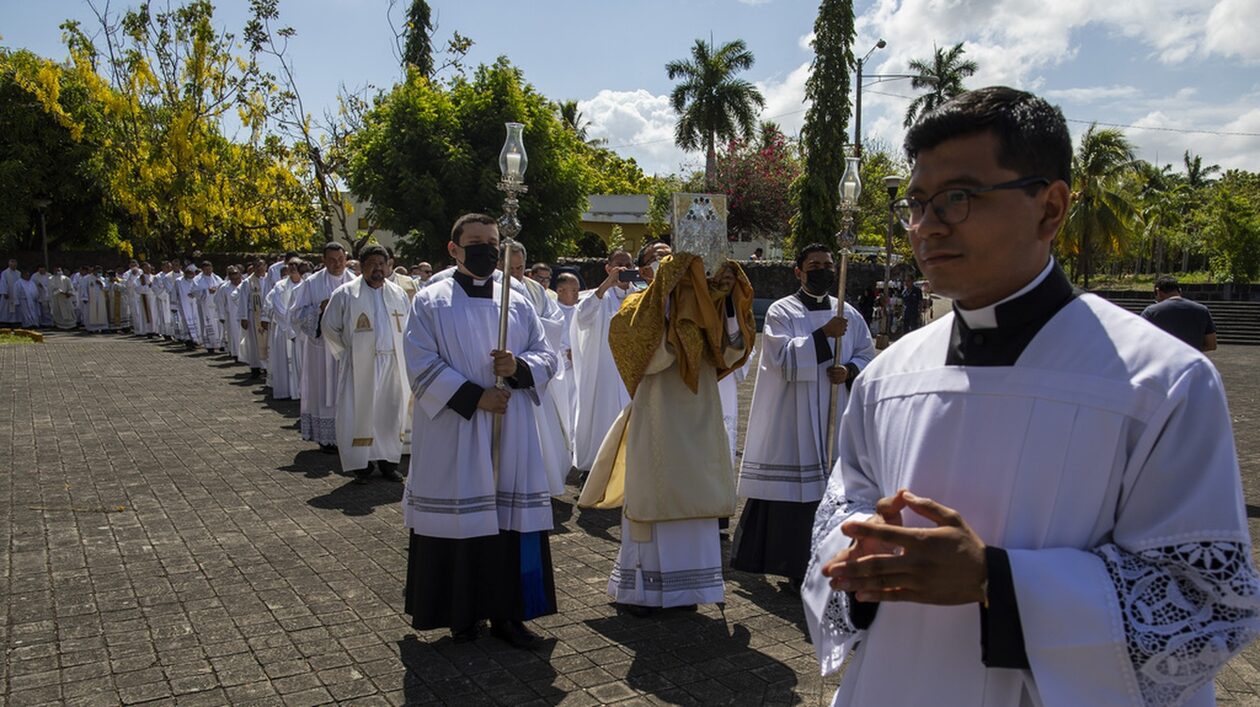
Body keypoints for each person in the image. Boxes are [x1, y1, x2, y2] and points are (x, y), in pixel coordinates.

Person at [804, 86, 1260, 706]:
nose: (926, 226)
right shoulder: (890, 374)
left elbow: (1205, 606)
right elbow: (841, 506)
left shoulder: (1160, 381)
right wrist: (857, 559)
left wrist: (998, 581)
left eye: (957, 198)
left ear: (1050, 208)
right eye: (916, 202)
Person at [402, 213, 559, 648]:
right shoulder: (431, 300)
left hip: (510, 428)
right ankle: (461, 614)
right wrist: (475, 397)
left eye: (493, 243)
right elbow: (419, 363)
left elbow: (548, 355)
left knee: (509, 524)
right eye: (477, 243)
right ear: (454, 249)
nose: (488, 251)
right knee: (462, 522)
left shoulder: (519, 300)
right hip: (457, 429)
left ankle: (511, 616)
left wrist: (519, 367)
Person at [579, 251, 754, 615]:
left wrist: (730, 301)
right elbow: (640, 357)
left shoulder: (707, 306)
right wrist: (667, 306)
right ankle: (643, 592)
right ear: (646, 270)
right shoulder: (635, 306)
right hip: (657, 417)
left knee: (696, 496)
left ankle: (689, 590)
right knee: (653, 498)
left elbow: (731, 352)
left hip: (700, 417)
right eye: (659, 260)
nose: (671, 265)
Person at [732, 244, 876, 591]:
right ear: (799, 271)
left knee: (834, 491)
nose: (823, 270)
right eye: (814, 265)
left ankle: (833, 562)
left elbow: (868, 353)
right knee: (796, 494)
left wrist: (850, 370)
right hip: (794, 415)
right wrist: (824, 335)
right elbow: (781, 359)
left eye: (827, 265)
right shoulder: (784, 311)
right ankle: (794, 565)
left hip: (835, 411)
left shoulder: (850, 314)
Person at [323, 245, 409, 484]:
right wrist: (346, 354)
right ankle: (362, 465)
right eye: (372, 264)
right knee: (360, 413)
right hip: (361, 365)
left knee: (389, 415)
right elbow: (329, 328)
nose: (378, 269)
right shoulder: (346, 294)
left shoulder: (398, 293)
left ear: (388, 266)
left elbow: (408, 326)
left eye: (382, 264)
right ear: (362, 266)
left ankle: (388, 462)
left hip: (393, 363)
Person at [569, 250, 636, 478]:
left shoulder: (641, 296)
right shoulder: (597, 296)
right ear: (608, 268)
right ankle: (595, 470)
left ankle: (628, 471)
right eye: (620, 264)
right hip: (604, 370)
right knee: (602, 418)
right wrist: (606, 286)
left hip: (631, 372)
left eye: (629, 264)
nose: (625, 268)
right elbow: (582, 319)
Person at [291, 243, 354, 453]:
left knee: (347, 391)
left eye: (340, 259)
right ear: (324, 260)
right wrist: (319, 309)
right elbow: (296, 315)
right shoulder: (311, 283)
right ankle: (325, 437)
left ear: (346, 259)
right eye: (332, 260)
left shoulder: (356, 282)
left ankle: (348, 433)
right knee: (324, 390)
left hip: (348, 349)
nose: (337, 264)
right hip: (321, 349)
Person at [1141, 276, 1218, 352]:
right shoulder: (1202, 310)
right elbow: (1211, 344)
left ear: (1158, 291)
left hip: (1164, 361)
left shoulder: (1151, 312)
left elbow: (1138, 341)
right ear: (1180, 291)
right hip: (1191, 361)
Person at [265, 259, 304, 400]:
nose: (293, 268)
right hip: (283, 330)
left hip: (300, 330)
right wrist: (289, 327)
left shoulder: (306, 285)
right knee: (283, 362)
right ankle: (285, 390)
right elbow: (278, 308)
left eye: (296, 266)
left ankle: (298, 392)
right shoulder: (279, 286)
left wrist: (296, 328)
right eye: (291, 266)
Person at [237, 259, 270, 377]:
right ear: (254, 268)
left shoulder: (269, 279)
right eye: (257, 266)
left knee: (267, 341)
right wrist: (243, 317)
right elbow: (243, 300)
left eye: (262, 266)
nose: (260, 269)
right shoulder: (248, 282)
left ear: (266, 267)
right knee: (254, 342)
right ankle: (255, 367)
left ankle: (267, 367)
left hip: (267, 314)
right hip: (253, 315)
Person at [192, 262, 224, 352]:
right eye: (206, 269)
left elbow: (223, 287)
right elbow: (194, 291)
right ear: (202, 269)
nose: (208, 271)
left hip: (216, 306)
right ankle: (210, 345)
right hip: (204, 306)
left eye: (209, 269)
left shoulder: (217, 278)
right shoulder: (197, 279)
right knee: (208, 324)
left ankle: (221, 344)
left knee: (219, 324)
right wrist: (206, 291)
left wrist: (217, 290)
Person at [172, 264, 200, 348]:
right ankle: (188, 340)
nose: (191, 275)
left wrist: (195, 294)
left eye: (192, 273)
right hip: (184, 305)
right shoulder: (179, 281)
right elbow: (173, 293)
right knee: (186, 322)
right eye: (189, 273)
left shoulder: (197, 280)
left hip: (195, 304)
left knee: (196, 321)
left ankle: (196, 339)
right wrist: (173, 306)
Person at [1, 259, 21, 325]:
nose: (14, 266)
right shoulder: (5, 273)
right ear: (9, 265)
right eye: (12, 265)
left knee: (16, 307)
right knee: (7, 307)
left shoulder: (18, 273)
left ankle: (16, 321)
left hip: (16, 293)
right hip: (8, 293)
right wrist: (4, 292)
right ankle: (6, 321)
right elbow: (3, 283)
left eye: (15, 265)